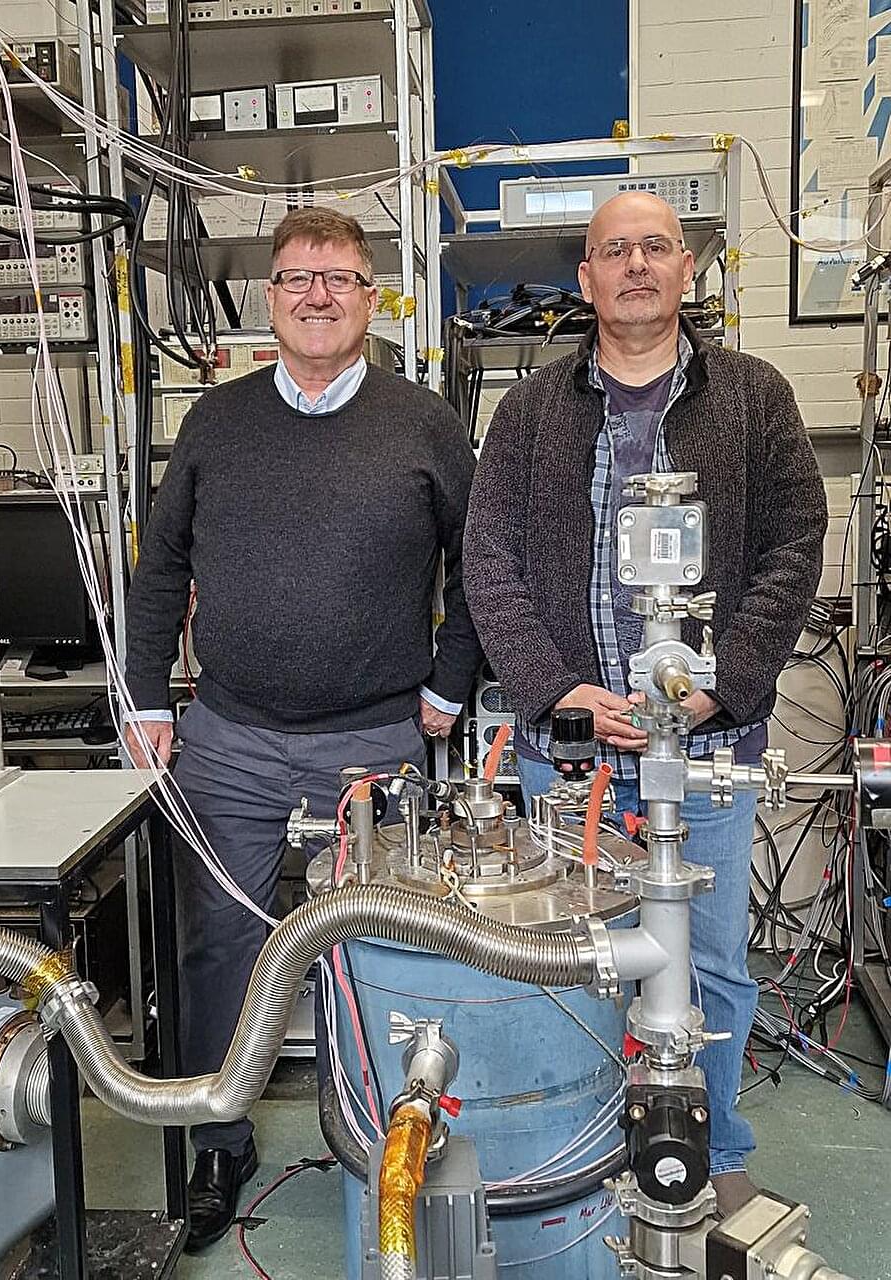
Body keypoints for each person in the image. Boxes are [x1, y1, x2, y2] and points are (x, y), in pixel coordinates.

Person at [462, 191, 827, 1218]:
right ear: (584, 279)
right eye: (613, 250)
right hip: (570, 752)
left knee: (709, 964)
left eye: (654, 247)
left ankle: (707, 1151)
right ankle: (579, 1156)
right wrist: (555, 688)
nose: (634, 265)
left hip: (705, 747)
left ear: (685, 269)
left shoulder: (751, 396)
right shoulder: (529, 410)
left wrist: (722, 681)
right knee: (571, 964)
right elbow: (487, 560)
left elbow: (796, 542)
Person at [124, 207, 482, 1252]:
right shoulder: (216, 421)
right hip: (230, 734)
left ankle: (372, 1136)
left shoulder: (422, 423)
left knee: (371, 949)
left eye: (339, 277)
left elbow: (477, 566)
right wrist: (147, 697)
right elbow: (161, 568)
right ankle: (218, 1139)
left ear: (371, 298)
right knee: (220, 942)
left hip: (373, 738)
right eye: (295, 277)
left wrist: (450, 684)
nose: (317, 294)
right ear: (270, 299)